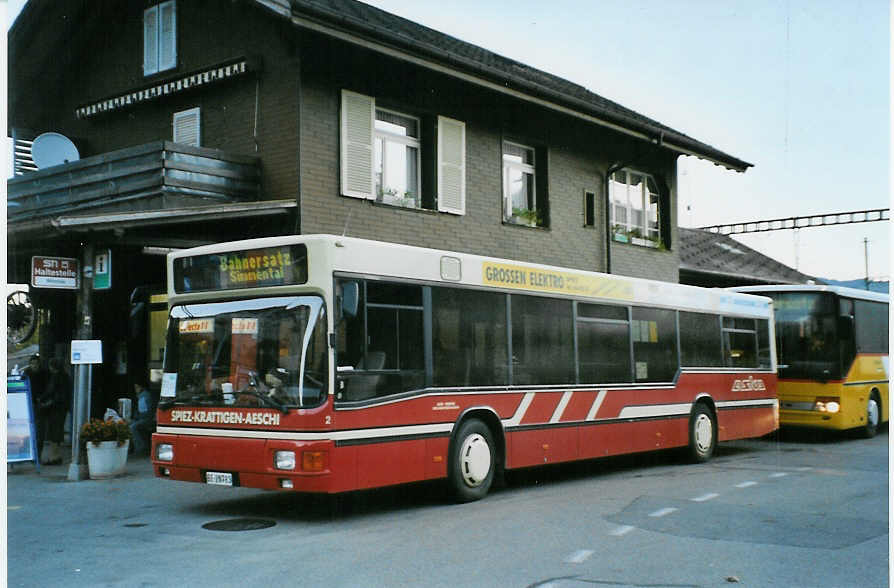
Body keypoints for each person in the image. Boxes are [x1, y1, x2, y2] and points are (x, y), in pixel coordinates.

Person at [41, 358, 72, 465]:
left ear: (52, 367)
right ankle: (56, 455)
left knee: (54, 431)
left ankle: (54, 456)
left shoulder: (56, 377)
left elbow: (51, 391)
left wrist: (43, 400)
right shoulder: (66, 376)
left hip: (55, 407)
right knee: (58, 431)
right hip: (62, 407)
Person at [22, 354, 48, 460]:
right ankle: (30, 454)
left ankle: (38, 455)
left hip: (40, 404)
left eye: (36, 363)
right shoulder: (26, 373)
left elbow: (47, 388)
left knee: (39, 431)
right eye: (32, 364)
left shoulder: (44, 373)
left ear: (39, 364)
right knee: (29, 430)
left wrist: (42, 399)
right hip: (29, 403)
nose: (34, 366)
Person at [129, 381, 157, 456]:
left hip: (148, 419)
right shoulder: (142, 396)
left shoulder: (144, 396)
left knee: (132, 427)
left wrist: (136, 418)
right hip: (144, 418)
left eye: (137, 387)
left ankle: (140, 448)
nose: (136, 389)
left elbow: (144, 413)